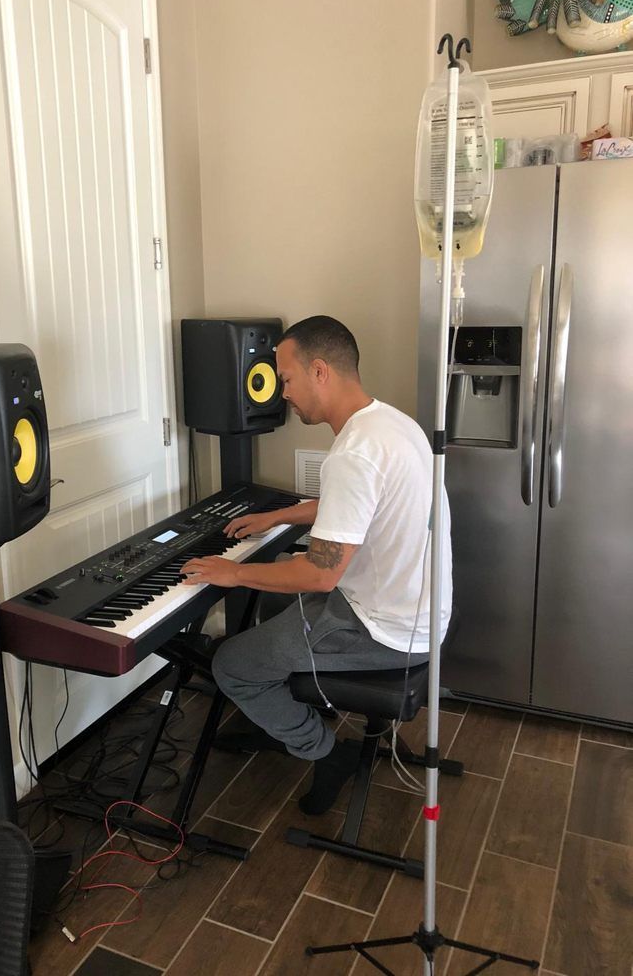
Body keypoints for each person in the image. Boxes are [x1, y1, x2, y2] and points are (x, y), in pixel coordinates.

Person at [181, 316, 452, 814]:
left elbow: (320, 573)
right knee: (274, 607)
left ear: (320, 371)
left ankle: (323, 753)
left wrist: (232, 572)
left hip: (381, 630)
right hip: (419, 612)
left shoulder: (353, 454)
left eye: (286, 379)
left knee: (231, 664)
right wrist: (279, 515)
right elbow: (355, 503)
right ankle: (300, 710)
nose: (283, 392)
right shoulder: (390, 424)